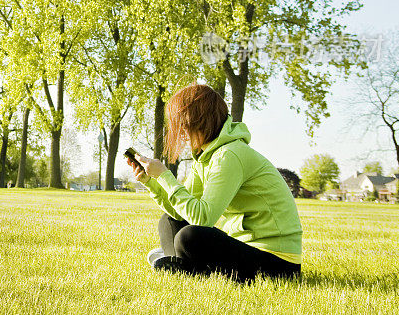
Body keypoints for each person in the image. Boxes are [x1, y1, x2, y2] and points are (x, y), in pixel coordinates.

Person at [127, 83, 302, 283]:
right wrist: (151, 181)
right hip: (246, 249)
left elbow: (203, 219)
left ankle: (177, 264)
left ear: (200, 120)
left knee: (190, 236)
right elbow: (180, 212)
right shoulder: (206, 156)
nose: (181, 133)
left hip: (278, 263)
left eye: (183, 124)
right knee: (170, 221)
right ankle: (178, 264)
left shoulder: (229, 155)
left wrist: (166, 176)